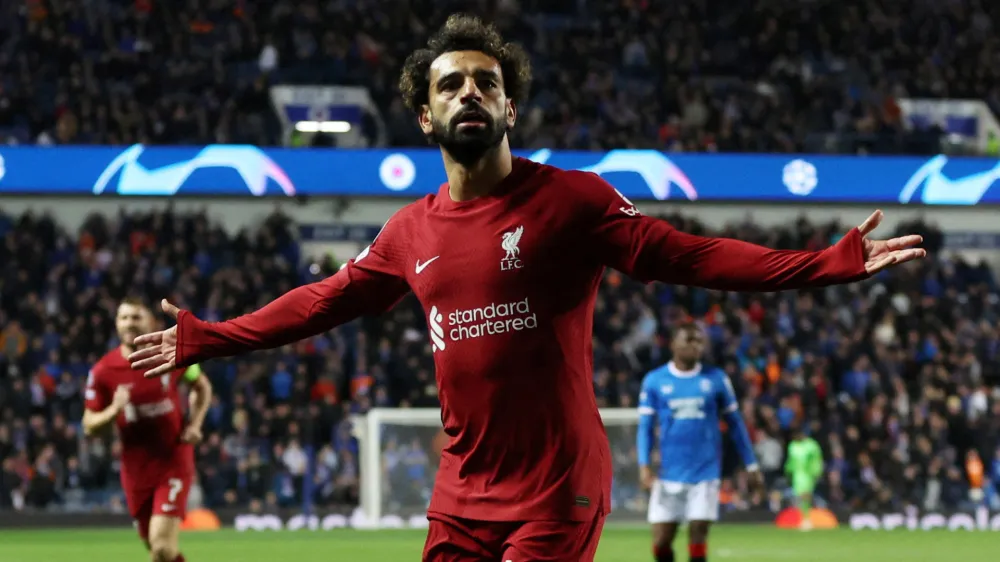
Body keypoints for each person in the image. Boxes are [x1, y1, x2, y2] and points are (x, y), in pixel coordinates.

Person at [127, 14, 925, 562]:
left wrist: (829, 262)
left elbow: (689, 255)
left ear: (510, 104)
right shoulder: (409, 231)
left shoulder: (574, 200)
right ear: (424, 116)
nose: (469, 92)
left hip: (556, 487)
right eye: (450, 85)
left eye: (485, 81)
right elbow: (321, 301)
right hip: (460, 489)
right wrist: (209, 337)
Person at [83, 297, 211, 562]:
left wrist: (196, 423)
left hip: (173, 459)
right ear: (117, 324)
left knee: (162, 546)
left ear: (151, 322)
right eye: (124, 318)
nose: (129, 323)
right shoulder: (103, 371)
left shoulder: (170, 353)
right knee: (157, 549)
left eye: (136, 317)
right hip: (135, 468)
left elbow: (201, 386)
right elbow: (89, 425)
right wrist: (113, 411)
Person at [637, 323, 763, 562]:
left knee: (698, 533)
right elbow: (645, 427)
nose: (695, 346)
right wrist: (644, 465)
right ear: (674, 343)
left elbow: (736, 424)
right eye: (689, 340)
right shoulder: (654, 381)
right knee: (662, 540)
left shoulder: (716, 379)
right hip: (668, 472)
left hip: (705, 471)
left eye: (699, 341)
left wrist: (752, 465)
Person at [785, 427, 824, 531]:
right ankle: (804, 518)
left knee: (805, 496)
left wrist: (817, 472)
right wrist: (788, 471)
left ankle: (806, 519)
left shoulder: (812, 445)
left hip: (808, 474)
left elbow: (817, 459)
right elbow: (790, 460)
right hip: (797, 475)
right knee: (800, 496)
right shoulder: (792, 446)